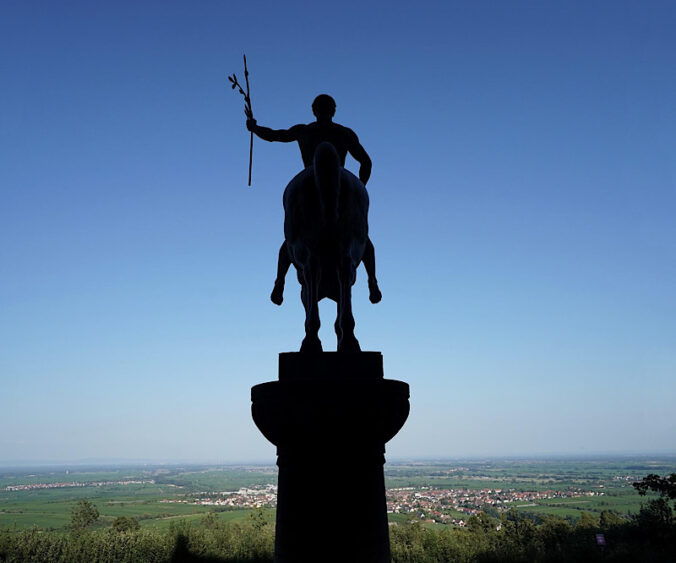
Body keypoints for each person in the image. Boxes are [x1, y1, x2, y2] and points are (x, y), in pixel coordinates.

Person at [246, 94, 382, 305]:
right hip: (343, 186)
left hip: (308, 185)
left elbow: (276, 135)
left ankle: (279, 281)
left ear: (314, 110)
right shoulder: (345, 133)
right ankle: (372, 281)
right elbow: (366, 163)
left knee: (292, 239)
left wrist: (255, 128)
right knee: (362, 238)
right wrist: (358, 191)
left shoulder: (304, 130)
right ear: (333, 110)